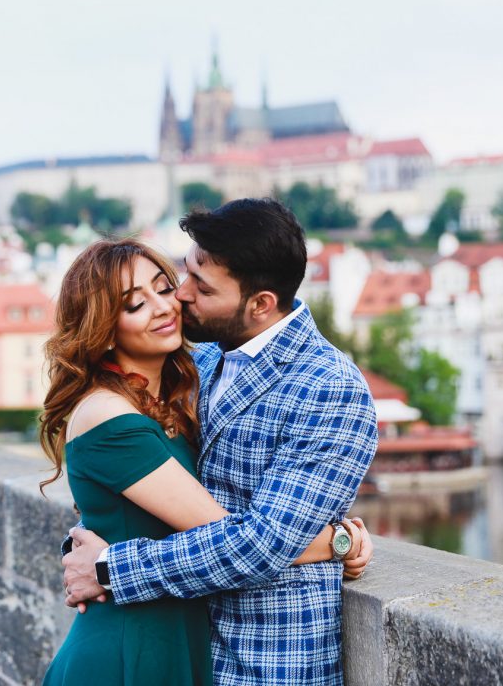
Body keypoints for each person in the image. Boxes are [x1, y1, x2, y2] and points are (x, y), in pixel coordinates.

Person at [62, 198, 379, 685]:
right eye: (183, 274)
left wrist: (108, 568)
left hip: (268, 661)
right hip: (181, 647)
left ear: (260, 304)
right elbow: (132, 480)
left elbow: (261, 547)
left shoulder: (329, 386)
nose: (179, 296)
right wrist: (335, 543)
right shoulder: (201, 360)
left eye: (199, 287)